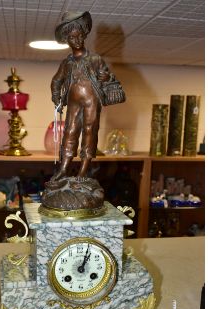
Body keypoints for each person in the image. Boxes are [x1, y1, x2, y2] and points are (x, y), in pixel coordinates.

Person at [50, 11, 121, 181]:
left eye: (80, 36)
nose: (77, 40)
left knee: (90, 131)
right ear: (67, 40)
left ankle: (83, 170)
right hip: (73, 102)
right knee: (70, 132)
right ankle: (64, 168)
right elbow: (56, 80)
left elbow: (108, 77)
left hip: (91, 100)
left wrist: (106, 77)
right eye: (73, 38)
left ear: (84, 35)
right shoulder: (67, 62)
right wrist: (56, 96)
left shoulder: (95, 59)